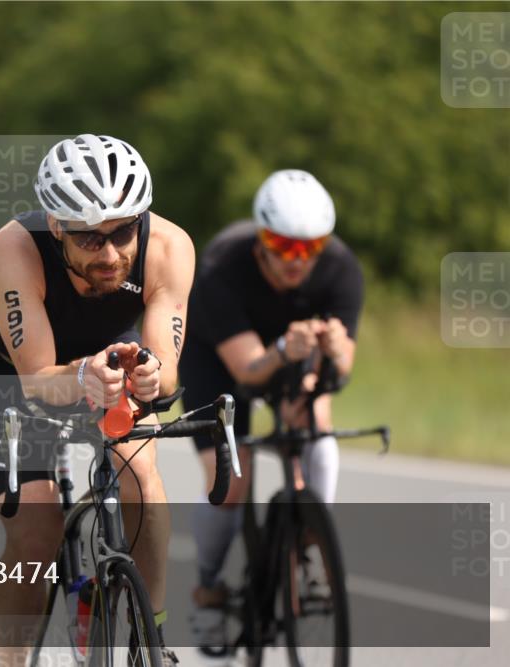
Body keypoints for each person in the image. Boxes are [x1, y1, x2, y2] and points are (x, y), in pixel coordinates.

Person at [0, 134, 196, 665]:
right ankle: (12, 661)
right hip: (16, 372)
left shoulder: (168, 245)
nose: (111, 254)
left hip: (111, 360)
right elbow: (39, 379)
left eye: (121, 233)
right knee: (35, 536)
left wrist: (148, 376)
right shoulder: (12, 249)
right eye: (90, 241)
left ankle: (151, 637)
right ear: (56, 227)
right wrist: (85, 373)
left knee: (140, 475)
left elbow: (165, 370)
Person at [179, 169, 364, 657]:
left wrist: (337, 352)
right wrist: (284, 350)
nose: (297, 261)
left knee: (314, 429)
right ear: (262, 238)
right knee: (232, 477)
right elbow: (246, 373)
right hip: (218, 359)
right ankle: (209, 588)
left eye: (310, 247)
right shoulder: (222, 267)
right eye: (284, 246)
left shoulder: (342, 270)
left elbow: (340, 370)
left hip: (288, 353)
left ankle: (309, 549)